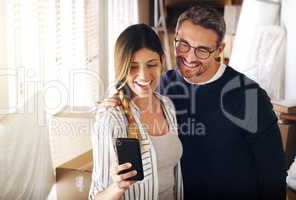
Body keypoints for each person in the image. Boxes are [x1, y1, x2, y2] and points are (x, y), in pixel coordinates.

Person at [105, 6, 286, 200]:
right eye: (183, 45)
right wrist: (117, 97)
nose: (190, 57)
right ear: (174, 41)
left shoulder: (249, 96)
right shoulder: (161, 86)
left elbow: (273, 176)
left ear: (219, 50)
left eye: (201, 50)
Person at [89, 24, 183, 200]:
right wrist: (117, 187)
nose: (144, 75)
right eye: (133, 66)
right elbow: (96, 197)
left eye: (151, 64)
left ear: (162, 61)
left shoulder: (167, 105)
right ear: (121, 68)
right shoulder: (112, 118)